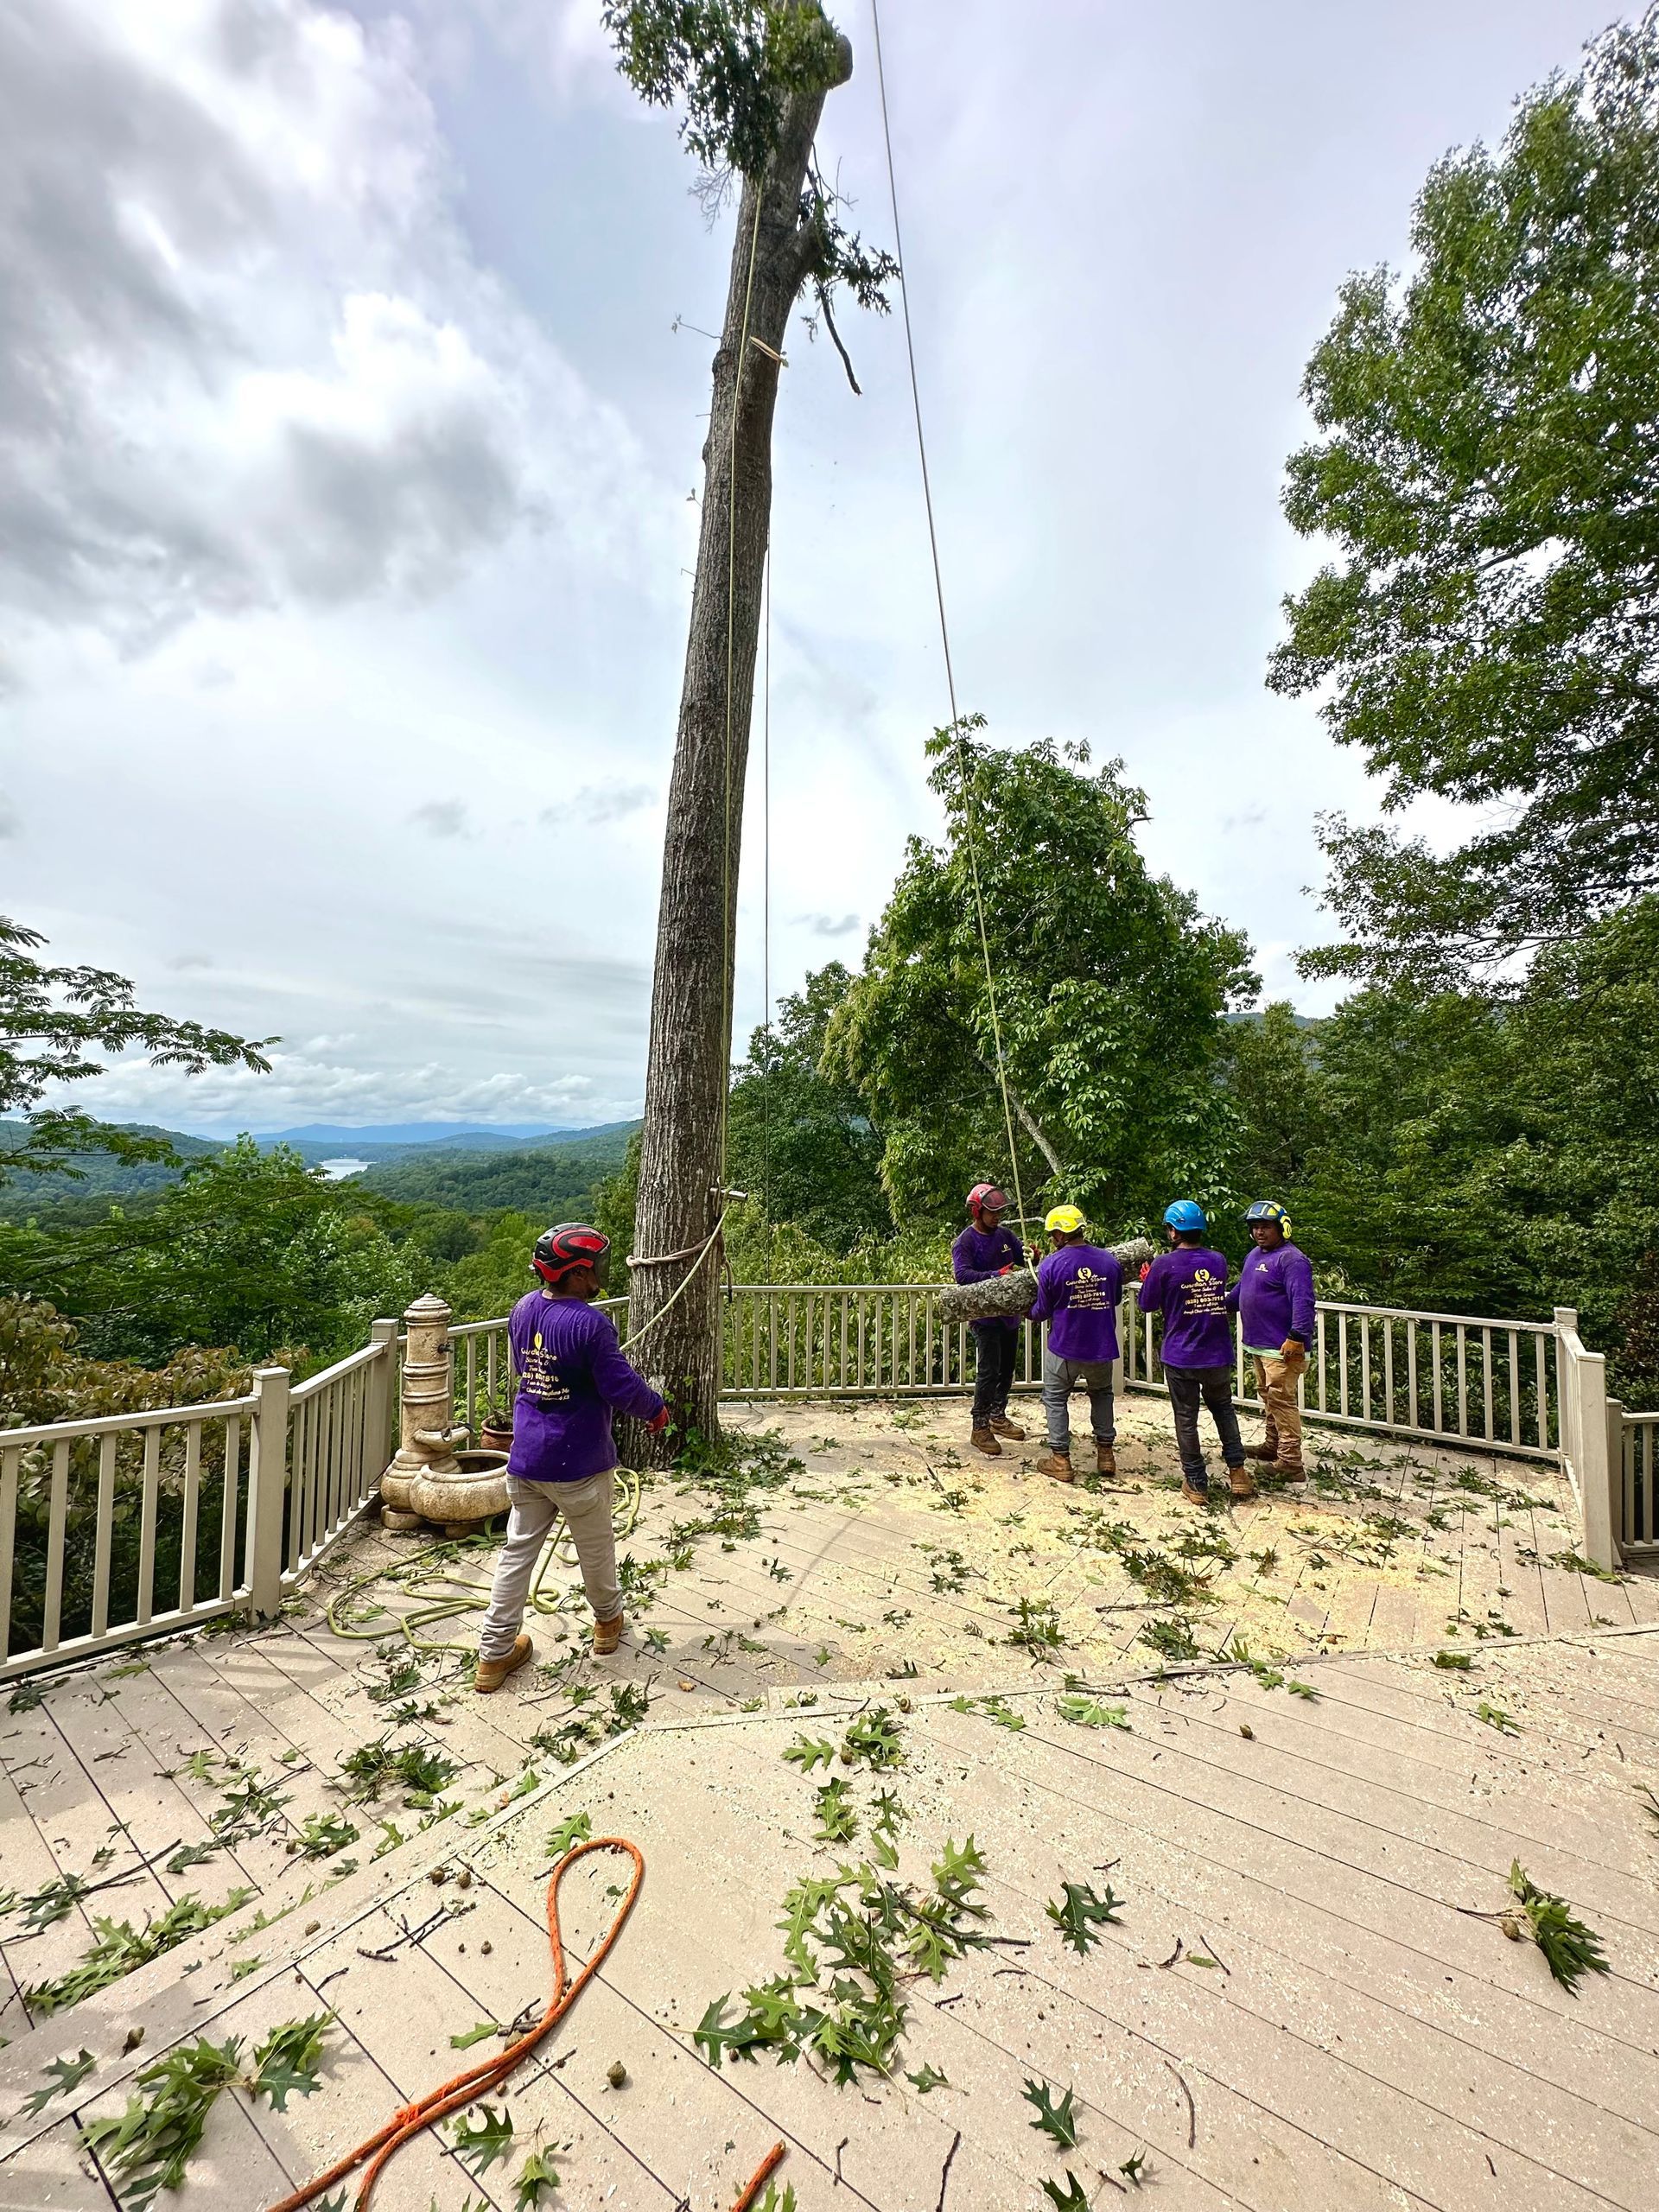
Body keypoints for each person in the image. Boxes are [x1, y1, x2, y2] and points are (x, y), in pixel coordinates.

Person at [474, 1222, 668, 1693]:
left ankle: (493, 1655)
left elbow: (525, 1370)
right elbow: (620, 1387)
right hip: (578, 1462)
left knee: (517, 1553)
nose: (602, 1270)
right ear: (579, 1274)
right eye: (597, 1264)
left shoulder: (522, 1309)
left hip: (527, 1458)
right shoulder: (591, 1324)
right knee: (595, 1546)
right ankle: (606, 1625)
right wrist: (655, 1409)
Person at [1136, 1199, 1249, 1506]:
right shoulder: (1218, 1260)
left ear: (1174, 1231)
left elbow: (1145, 1304)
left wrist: (1150, 1280)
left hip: (1181, 1354)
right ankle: (1238, 1473)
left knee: (1186, 1418)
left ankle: (1197, 1483)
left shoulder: (1164, 1264)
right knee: (1224, 1410)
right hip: (1217, 1352)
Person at [1027, 1205, 1124, 1484]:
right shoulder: (1109, 1262)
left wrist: (1027, 1314)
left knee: (1056, 1399)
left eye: (1052, 1234)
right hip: (1101, 1347)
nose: (1051, 1239)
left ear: (1060, 1233)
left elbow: (1042, 1310)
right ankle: (1106, 1455)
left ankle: (1061, 1460)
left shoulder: (1051, 1265)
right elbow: (1115, 1299)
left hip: (1064, 1347)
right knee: (1102, 1394)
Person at [1228, 1199, 1315, 1483]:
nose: (1259, 1232)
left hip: (1282, 1345)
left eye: (1265, 1226)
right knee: (1268, 1396)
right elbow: (1243, 1289)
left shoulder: (1292, 1259)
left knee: (1281, 1399)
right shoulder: (1253, 1255)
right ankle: (1272, 1446)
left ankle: (1291, 1462)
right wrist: (1220, 1305)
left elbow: (1303, 1300)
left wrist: (1297, 1337)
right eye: (1255, 1227)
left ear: (1282, 1228)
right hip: (1258, 1342)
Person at [951, 1182, 1029, 1456]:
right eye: (991, 1212)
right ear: (977, 1211)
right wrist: (996, 1275)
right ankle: (979, 1425)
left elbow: (1021, 1257)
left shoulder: (1006, 1235)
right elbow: (962, 1276)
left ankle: (998, 1416)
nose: (997, 1217)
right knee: (988, 1372)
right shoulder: (966, 1241)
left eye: (999, 1212)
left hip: (1009, 1316)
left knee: (1007, 1369)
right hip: (985, 1320)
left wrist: (1031, 1253)